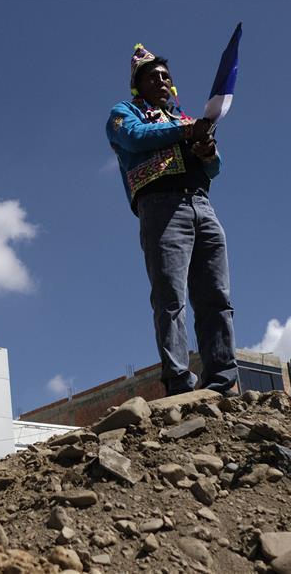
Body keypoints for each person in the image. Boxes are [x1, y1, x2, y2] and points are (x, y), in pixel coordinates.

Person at [106, 44, 239, 397]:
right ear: (138, 85)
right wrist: (186, 133)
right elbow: (133, 138)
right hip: (160, 207)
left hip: (202, 205)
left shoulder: (185, 119)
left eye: (166, 76)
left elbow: (216, 167)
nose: (161, 81)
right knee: (170, 296)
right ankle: (179, 382)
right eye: (152, 77)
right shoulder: (123, 113)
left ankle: (223, 379)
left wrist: (206, 149)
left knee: (216, 296)